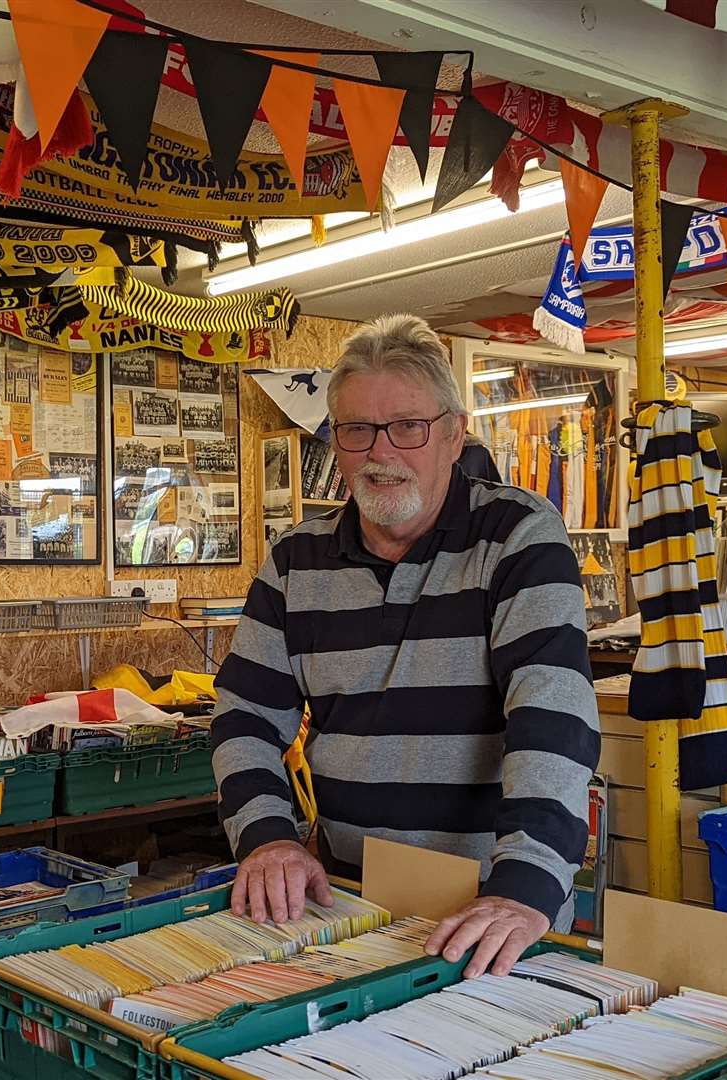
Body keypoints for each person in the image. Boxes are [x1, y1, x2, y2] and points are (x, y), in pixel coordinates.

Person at [210, 314, 598, 979]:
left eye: (409, 427)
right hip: (343, 902)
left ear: (453, 433)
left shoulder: (517, 536)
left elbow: (552, 717)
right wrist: (269, 839)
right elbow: (243, 721)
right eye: (357, 430)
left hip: (488, 914)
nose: (381, 454)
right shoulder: (295, 561)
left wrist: (525, 885)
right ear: (336, 443)